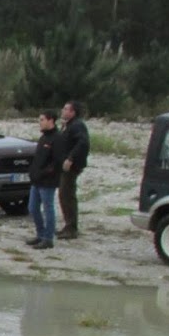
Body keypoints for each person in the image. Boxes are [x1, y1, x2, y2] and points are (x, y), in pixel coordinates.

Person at [26, 109, 63, 249]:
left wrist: (44, 173)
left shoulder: (57, 138)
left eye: (42, 120)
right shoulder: (43, 138)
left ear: (51, 120)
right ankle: (40, 234)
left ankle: (48, 238)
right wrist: (33, 172)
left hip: (48, 181)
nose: (40, 122)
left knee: (48, 209)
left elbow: (57, 162)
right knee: (32, 208)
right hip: (36, 180)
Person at [57, 100, 90, 238]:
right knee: (64, 195)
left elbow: (83, 143)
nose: (63, 111)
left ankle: (71, 228)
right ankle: (68, 225)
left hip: (71, 166)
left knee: (67, 195)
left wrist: (70, 158)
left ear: (73, 112)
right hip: (64, 165)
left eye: (66, 109)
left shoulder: (77, 125)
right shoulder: (68, 125)